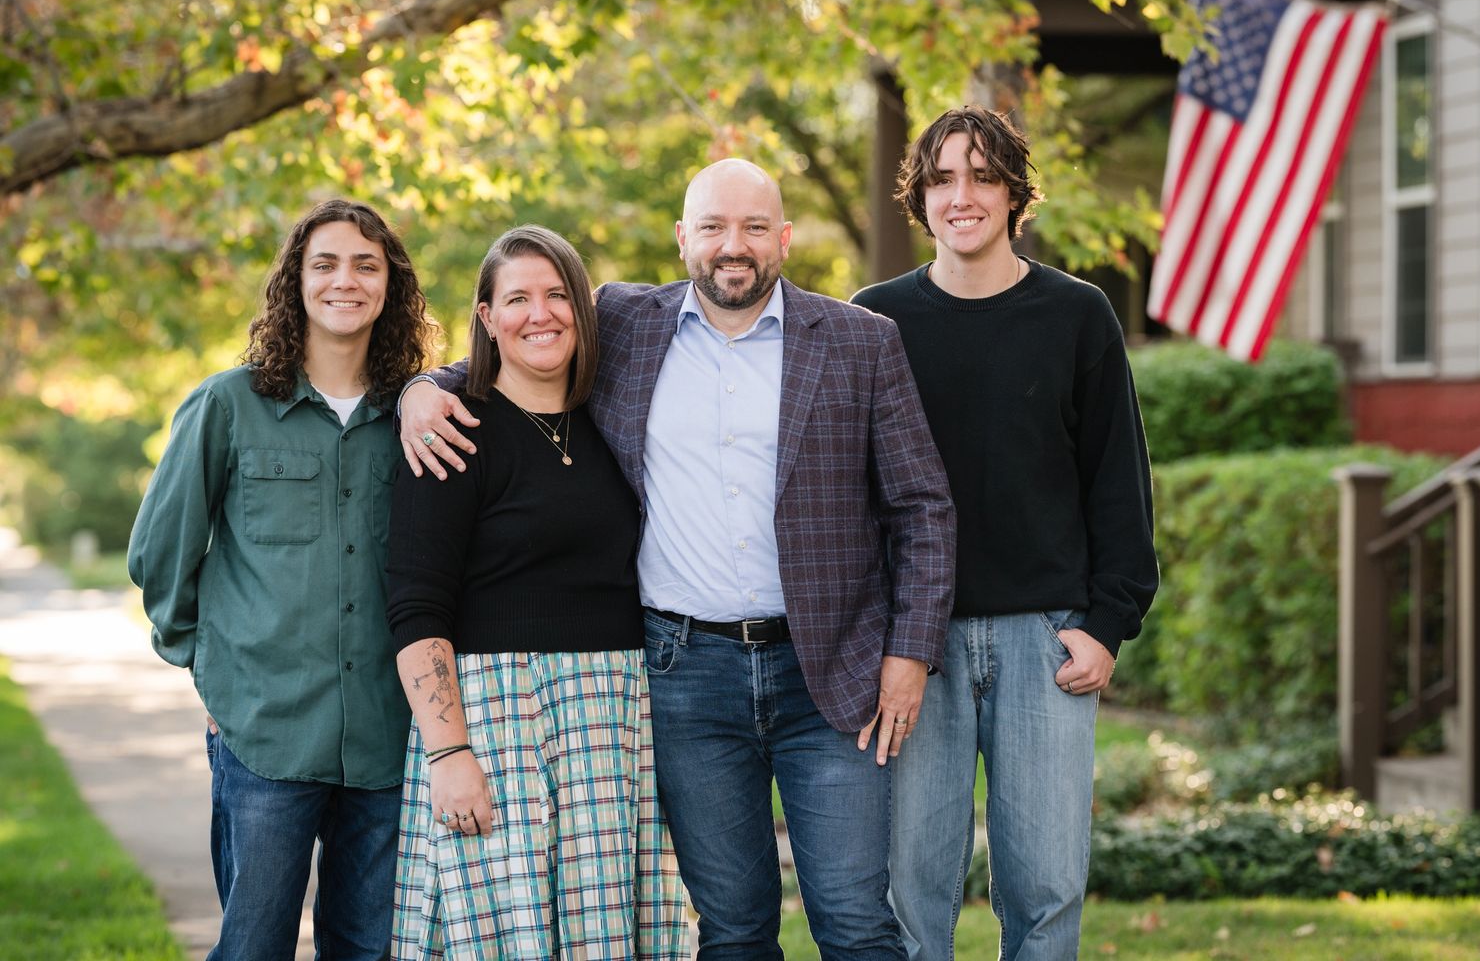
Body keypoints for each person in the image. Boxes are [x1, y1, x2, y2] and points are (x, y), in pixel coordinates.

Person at [399, 159, 956, 957]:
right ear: (682, 238)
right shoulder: (626, 321)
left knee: (857, 921)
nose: (735, 246)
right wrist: (423, 386)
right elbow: (522, 340)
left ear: (785, 239)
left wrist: (910, 653)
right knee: (730, 927)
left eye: (755, 227)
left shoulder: (862, 343)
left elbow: (923, 507)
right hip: (683, 674)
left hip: (831, 674)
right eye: (715, 227)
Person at [851, 107, 1159, 960]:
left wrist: (1106, 624)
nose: (963, 195)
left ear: (1015, 193)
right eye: (944, 177)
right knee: (912, 891)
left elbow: (1118, 482)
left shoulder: (1077, 315)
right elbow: (845, 494)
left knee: (1047, 891)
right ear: (921, 198)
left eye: (984, 176)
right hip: (916, 649)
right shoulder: (874, 322)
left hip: (1044, 642)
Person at [128, 199, 440, 960]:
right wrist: (202, 664)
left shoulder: (417, 414)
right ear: (295, 282)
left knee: (372, 948)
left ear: (389, 285)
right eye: (325, 264)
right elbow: (159, 552)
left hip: (385, 735)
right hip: (263, 731)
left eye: (367, 265)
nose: (346, 281)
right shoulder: (228, 405)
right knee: (253, 945)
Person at [384, 225, 687, 958]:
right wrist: (447, 752)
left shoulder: (613, 420)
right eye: (516, 298)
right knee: (504, 935)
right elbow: (416, 606)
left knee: (604, 938)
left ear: (584, 311)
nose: (539, 313)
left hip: (611, 721)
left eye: (557, 295)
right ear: (487, 318)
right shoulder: (452, 431)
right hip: (493, 721)